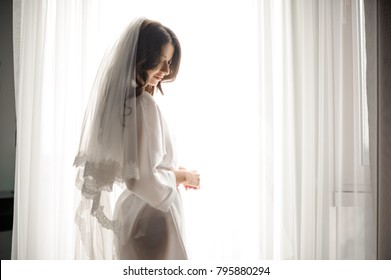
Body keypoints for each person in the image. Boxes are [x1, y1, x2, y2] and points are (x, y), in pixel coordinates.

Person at [74, 18, 200, 260]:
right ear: (142, 57)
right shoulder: (142, 105)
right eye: (161, 61)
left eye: (169, 62)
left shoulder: (120, 106)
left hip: (133, 215)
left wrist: (171, 172)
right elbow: (140, 178)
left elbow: (138, 168)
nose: (166, 71)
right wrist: (184, 176)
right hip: (153, 219)